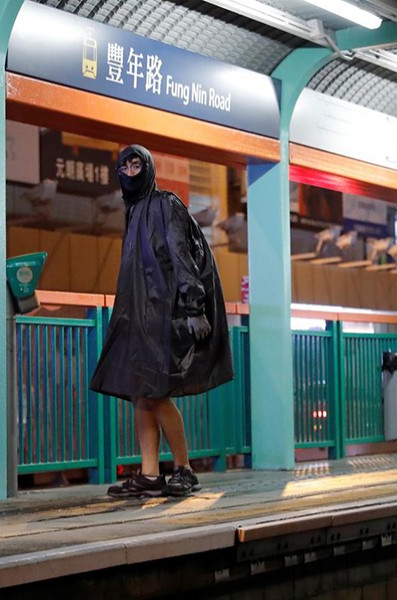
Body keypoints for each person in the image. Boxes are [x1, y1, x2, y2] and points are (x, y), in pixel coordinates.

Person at [90, 145, 234, 498]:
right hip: (139, 315)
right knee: (141, 393)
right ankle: (150, 473)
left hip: (164, 314)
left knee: (156, 392)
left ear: (149, 168)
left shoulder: (164, 203)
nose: (130, 171)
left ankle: (184, 469)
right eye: (125, 166)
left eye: (137, 164)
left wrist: (195, 308)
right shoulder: (134, 209)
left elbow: (181, 255)